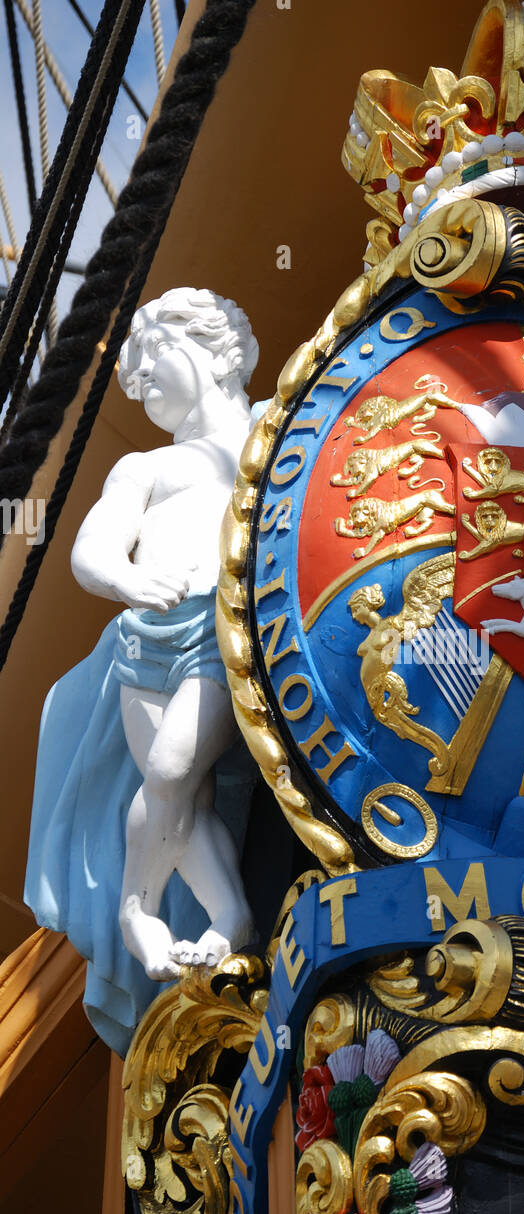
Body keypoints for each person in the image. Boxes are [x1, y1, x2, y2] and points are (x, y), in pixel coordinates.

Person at [25, 288, 258, 1053]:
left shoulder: (276, 433)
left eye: (152, 363)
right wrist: (126, 582)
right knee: (171, 789)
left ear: (212, 348)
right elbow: (92, 552)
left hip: (221, 635)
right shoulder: (146, 465)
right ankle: (217, 914)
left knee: (170, 765)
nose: (139, 382)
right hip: (144, 640)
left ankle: (140, 905)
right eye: (132, 375)